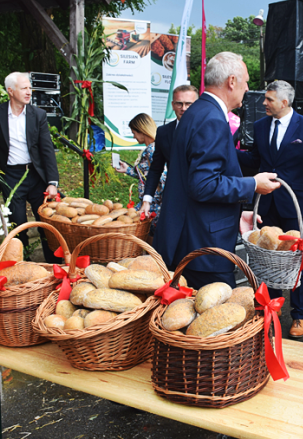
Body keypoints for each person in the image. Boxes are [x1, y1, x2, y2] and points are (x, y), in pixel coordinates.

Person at [153, 51, 279, 288]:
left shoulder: (198, 112)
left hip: (192, 238)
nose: (248, 88)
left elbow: (192, 181)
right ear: (232, 81)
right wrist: (253, 184)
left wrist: (236, 214)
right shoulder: (211, 118)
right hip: (204, 249)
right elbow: (203, 185)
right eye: (246, 81)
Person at [237, 80, 303, 338]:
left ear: (285, 102)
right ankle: (271, 308)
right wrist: (228, 153)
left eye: (269, 99)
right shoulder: (260, 126)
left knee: (298, 261)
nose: (264, 103)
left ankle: (299, 315)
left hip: (296, 205)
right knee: (267, 259)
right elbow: (256, 161)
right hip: (267, 203)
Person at [0, 72, 60, 263]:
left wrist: (52, 182)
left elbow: (46, 149)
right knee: (17, 223)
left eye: (29, 88)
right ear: (10, 91)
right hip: (10, 176)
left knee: (45, 222)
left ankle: (54, 265)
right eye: (24, 88)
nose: (29, 92)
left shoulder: (38, 115)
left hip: (36, 175)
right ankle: (21, 264)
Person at [141, 84, 198, 223]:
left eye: (188, 104)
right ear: (172, 105)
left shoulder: (206, 130)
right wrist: (147, 199)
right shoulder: (163, 132)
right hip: (172, 199)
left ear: (197, 105)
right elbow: (156, 168)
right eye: (179, 103)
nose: (183, 108)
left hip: (199, 199)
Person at [116, 113, 165, 231]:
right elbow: (148, 175)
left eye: (134, 133)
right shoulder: (154, 147)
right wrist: (127, 170)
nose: (134, 137)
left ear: (142, 131)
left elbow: (161, 176)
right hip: (152, 202)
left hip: (154, 204)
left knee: (148, 237)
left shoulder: (152, 150)